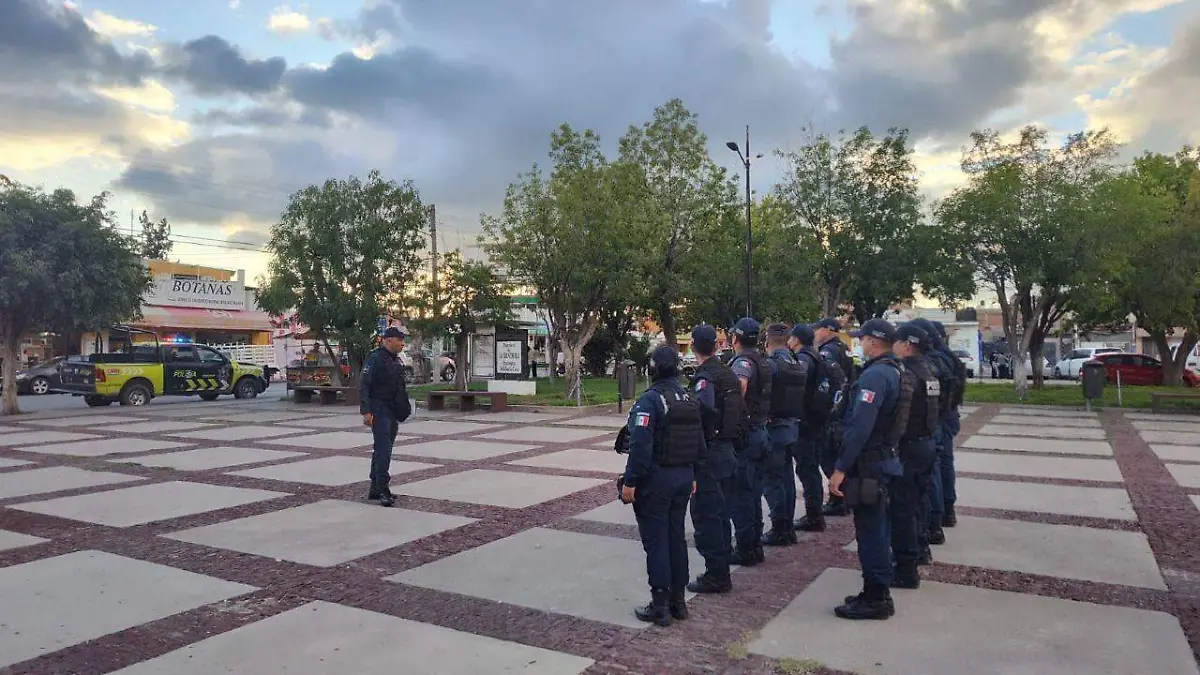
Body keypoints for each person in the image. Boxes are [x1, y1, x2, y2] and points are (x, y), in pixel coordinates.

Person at [830, 319, 907, 620]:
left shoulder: (876, 376)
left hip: (870, 464)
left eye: (862, 339)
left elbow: (860, 427)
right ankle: (876, 590)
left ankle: (876, 598)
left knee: (871, 532)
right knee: (878, 528)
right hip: (884, 457)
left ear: (874, 342)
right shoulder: (895, 370)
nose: (859, 343)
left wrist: (839, 468)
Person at [622, 345, 702, 626]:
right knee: (676, 539)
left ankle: (659, 605)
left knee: (657, 543)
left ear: (652, 369)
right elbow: (698, 444)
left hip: (657, 480)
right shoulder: (688, 397)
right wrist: (692, 475)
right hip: (683, 477)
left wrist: (630, 481)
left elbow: (640, 446)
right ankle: (678, 602)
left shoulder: (651, 401)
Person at [686, 325, 743, 594]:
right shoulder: (728, 372)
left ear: (693, 346)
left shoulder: (706, 377)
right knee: (721, 513)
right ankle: (721, 566)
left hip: (711, 453)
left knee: (707, 514)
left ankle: (716, 574)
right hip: (728, 450)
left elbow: (703, 409)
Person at [890, 323, 941, 583]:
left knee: (902, 508)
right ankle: (920, 550)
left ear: (907, 345)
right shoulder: (930, 371)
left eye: (896, 341)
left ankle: (905, 568)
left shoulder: (907, 373)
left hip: (909, 446)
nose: (893, 346)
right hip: (926, 442)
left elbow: (900, 413)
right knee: (918, 502)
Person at [727, 317, 772, 566]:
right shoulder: (763, 361)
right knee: (753, 493)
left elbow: (740, 387)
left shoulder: (743, 362)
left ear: (736, 338)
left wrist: (730, 420)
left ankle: (746, 548)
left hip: (747, 435)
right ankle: (754, 545)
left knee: (742, 495)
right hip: (760, 432)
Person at [910, 318, 955, 544]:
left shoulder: (931, 363)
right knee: (942, 465)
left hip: (936, 419)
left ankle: (935, 521)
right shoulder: (946, 358)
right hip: (944, 416)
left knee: (933, 470)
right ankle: (945, 511)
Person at [761, 323, 805, 546]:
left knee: (772, 479)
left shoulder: (772, 365)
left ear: (767, 343)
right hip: (792, 425)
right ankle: (787, 526)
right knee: (786, 477)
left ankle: (780, 526)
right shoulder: (795, 361)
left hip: (775, 425)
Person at [789, 323, 836, 532]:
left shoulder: (804, 359)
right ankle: (814, 512)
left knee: (807, 469)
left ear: (796, 339)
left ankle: (813, 515)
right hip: (818, 420)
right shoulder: (818, 356)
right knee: (811, 468)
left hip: (806, 421)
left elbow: (799, 381)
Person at [360, 326, 413, 507]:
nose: (403, 344)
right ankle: (383, 489)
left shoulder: (396, 360)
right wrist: (366, 411)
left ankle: (375, 486)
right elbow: (364, 385)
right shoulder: (375, 359)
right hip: (378, 409)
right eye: (400, 340)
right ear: (388, 340)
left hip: (392, 410)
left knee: (383, 448)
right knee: (383, 450)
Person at [813, 317, 853, 518]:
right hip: (844, 408)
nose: (815, 334)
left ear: (827, 330)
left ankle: (839, 498)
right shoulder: (844, 347)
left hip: (833, 410)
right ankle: (842, 497)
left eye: (817, 330)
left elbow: (831, 381)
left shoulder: (828, 351)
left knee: (828, 456)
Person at [932, 320, 967, 528]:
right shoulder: (950, 357)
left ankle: (943, 511)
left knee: (939, 464)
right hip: (949, 415)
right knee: (945, 462)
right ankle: (947, 509)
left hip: (941, 417)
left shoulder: (938, 360)